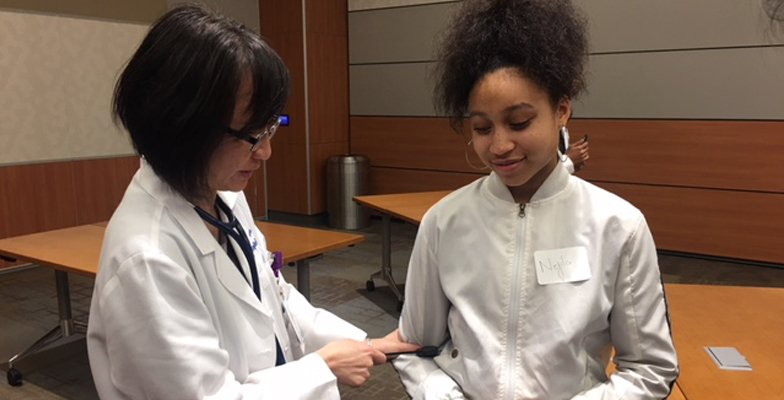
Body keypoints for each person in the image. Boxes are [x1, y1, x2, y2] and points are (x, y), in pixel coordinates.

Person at [86, 5, 417, 399]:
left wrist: (364, 343)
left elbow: (274, 298)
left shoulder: (221, 195)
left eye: (271, 128)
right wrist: (321, 368)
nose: (266, 153)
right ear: (182, 124)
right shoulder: (147, 259)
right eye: (252, 135)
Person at [389, 0, 679, 398]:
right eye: (482, 127)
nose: (500, 145)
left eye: (519, 122)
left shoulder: (618, 225)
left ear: (561, 109)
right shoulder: (444, 222)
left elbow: (648, 368)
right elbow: (413, 346)